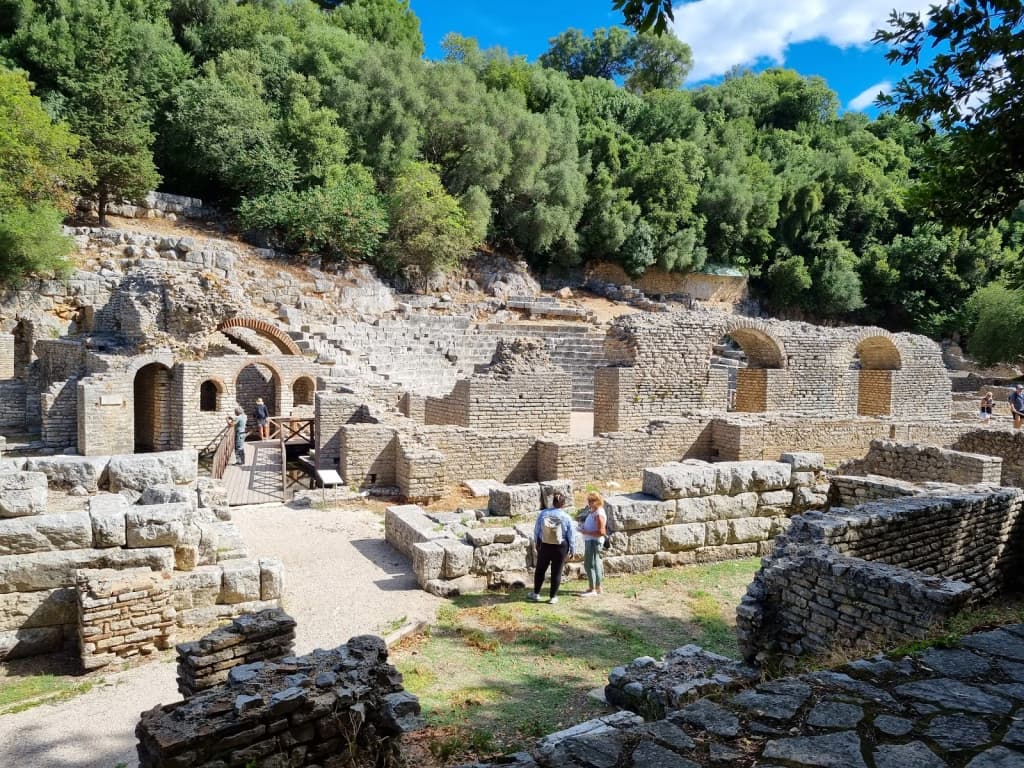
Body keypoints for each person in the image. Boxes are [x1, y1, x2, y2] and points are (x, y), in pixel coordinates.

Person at [529, 491, 575, 604]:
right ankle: (553, 597)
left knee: (540, 569)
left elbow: (537, 530)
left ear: (552, 502)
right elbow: (571, 535)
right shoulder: (566, 517)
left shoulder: (543, 514)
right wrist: (572, 549)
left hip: (544, 544)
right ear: (563, 504)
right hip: (560, 547)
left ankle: (536, 593)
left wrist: (536, 542)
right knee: (557, 571)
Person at [578, 492, 607, 597]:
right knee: (594, 564)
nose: (590, 503)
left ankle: (593, 589)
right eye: (589, 501)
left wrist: (586, 532)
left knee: (590, 564)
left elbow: (602, 532)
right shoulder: (594, 512)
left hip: (594, 542)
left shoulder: (599, 514)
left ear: (598, 501)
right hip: (591, 541)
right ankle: (596, 587)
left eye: (592, 501)